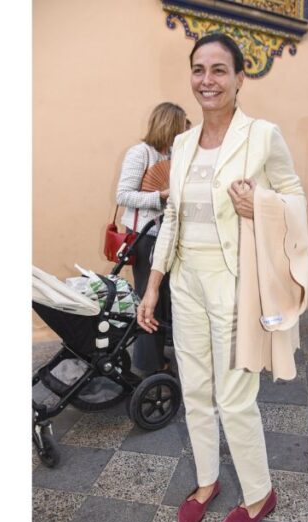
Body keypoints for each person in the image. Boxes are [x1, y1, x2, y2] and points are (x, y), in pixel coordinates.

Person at [137, 33, 308, 522]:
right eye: (198, 69)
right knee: (195, 388)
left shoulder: (261, 135)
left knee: (234, 397)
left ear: (239, 77)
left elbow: (295, 194)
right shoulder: (184, 141)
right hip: (185, 280)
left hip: (236, 282)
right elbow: (172, 218)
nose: (206, 80)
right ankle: (207, 480)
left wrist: (263, 206)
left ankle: (259, 493)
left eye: (218, 70)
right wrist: (153, 287)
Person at [116, 102, 188, 374]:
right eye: (180, 125)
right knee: (149, 299)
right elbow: (122, 195)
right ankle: (148, 365)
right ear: (170, 125)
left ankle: (160, 356)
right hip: (145, 237)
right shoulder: (140, 153)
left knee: (166, 297)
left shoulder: (171, 154)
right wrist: (160, 195)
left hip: (166, 235)